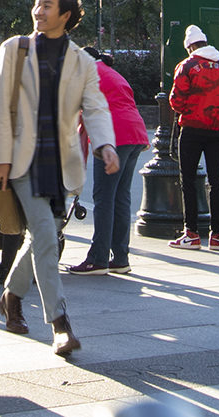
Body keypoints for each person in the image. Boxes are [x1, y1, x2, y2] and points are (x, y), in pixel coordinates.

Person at [0, 0, 117, 358]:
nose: (38, 11)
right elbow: (1, 110)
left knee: (43, 238)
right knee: (45, 233)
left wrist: (106, 144)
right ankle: (60, 324)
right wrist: (1, 160)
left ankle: (10, 295)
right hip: (23, 158)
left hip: (61, 163)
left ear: (66, 15)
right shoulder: (15, 49)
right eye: (38, 4)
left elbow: (94, 107)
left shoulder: (83, 61)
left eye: (47, 6)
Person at [66, 51, 151, 276]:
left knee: (103, 198)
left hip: (114, 137)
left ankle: (98, 258)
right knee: (120, 197)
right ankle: (120, 257)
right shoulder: (111, 73)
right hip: (135, 134)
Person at [168, 25, 219, 251]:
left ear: (190, 46)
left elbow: (176, 101)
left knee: (188, 181)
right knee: (216, 181)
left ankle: (190, 233)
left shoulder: (187, 66)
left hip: (191, 129)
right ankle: (217, 236)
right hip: (218, 131)